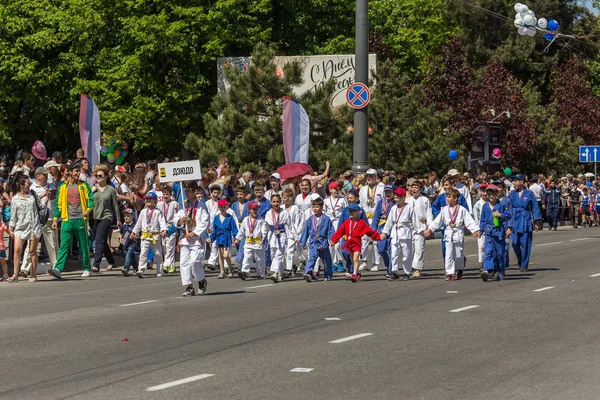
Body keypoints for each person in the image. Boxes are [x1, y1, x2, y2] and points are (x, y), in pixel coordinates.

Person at [48, 161, 94, 279]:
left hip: (80, 219)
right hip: (66, 220)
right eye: (76, 171)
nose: (78, 173)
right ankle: (58, 268)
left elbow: (91, 199)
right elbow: (58, 204)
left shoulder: (84, 185)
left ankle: (87, 267)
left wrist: (88, 209)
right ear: (70, 172)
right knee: (64, 245)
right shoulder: (63, 187)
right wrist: (54, 219)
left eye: (79, 171)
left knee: (83, 245)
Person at [425, 189, 481, 281]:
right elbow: (437, 221)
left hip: (458, 232)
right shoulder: (444, 209)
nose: (447, 199)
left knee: (459, 254)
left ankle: (459, 269)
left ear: (456, 198)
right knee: (449, 254)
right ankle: (449, 272)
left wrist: (475, 230)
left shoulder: (462, 209)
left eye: (449, 197)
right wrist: (430, 229)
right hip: (448, 232)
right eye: (447, 196)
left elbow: (469, 221)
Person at [331, 203, 384, 282]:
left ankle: (355, 273)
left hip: (356, 243)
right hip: (349, 243)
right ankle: (357, 272)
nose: (351, 213)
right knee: (352, 259)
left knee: (355, 258)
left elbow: (369, 231)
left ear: (358, 212)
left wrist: (378, 237)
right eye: (350, 211)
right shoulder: (346, 222)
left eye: (353, 211)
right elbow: (340, 232)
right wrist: (333, 240)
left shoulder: (361, 222)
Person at [20, 167, 58, 277]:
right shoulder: (32, 188)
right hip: (35, 220)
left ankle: (55, 267)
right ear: (38, 176)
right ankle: (25, 268)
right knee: (31, 244)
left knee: (52, 244)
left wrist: (52, 194)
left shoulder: (51, 186)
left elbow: (55, 200)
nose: (46, 177)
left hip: (49, 218)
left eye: (47, 175)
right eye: (44, 175)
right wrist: (43, 195)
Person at [176, 181, 210, 296]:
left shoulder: (201, 206)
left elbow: (205, 222)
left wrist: (194, 233)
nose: (187, 193)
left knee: (195, 262)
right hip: (185, 238)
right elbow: (175, 219)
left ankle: (201, 280)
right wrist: (180, 221)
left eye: (189, 191)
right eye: (185, 191)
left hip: (196, 239)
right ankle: (189, 287)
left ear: (195, 192)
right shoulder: (183, 205)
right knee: (184, 263)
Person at [8, 174, 42, 282]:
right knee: (17, 250)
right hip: (20, 227)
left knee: (32, 251)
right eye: (28, 183)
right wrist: (11, 228)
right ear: (22, 185)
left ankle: (34, 275)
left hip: (33, 226)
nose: (29, 185)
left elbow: (40, 206)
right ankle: (15, 274)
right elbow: (13, 215)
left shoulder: (32, 195)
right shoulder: (15, 199)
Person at [382, 188, 419, 280]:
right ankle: (394, 272)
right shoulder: (393, 208)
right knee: (394, 254)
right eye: (395, 196)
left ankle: (407, 272)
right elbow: (389, 222)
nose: (395, 198)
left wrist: (420, 230)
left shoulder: (409, 207)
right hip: (395, 232)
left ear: (403, 197)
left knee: (406, 254)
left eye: (397, 196)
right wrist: (385, 232)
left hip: (405, 232)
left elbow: (415, 221)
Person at [507, 174, 541, 272]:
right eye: (513, 181)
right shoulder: (512, 194)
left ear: (521, 182)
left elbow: (534, 208)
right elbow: (507, 205)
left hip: (525, 220)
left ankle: (524, 264)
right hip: (514, 220)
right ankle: (520, 259)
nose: (514, 183)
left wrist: (536, 222)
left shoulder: (529, 193)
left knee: (525, 243)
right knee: (515, 243)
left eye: (516, 181)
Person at [90, 164, 121, 273]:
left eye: (101, 176)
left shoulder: (111, 190)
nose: (98, 178)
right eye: (97, 176)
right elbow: (87, 201)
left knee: (99, 239)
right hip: (94, 217)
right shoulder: (93, 189)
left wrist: (118, 218)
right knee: (101, 241)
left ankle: (96, 264)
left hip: (106, 216)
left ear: (106, 177)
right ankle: (111, 260)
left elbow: (115, 205)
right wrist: (92, 191)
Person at [130, 192, 167, 278]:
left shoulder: (158, 212)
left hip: (155, 236)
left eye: (150, 199)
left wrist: (163, 230)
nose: (148, 200)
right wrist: (134, 232)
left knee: (158, 254)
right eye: (147, 199)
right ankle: (141, 269)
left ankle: (159, 270)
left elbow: (162, 222)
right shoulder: (143, 211)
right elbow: (138, 224)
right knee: (143, 253)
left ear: (155, 201)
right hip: (145, 236)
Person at [479, 185, 512, 282]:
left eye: (493, 194)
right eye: (489, 194)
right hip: (489, 232)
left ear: (497, 194)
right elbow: (482, 220)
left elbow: (508, 215)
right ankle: (487, 270)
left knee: (499, 253)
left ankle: (501, 271)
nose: (491, 196)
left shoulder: (501, 205)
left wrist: (500, 215)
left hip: (498, 232)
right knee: (488, 251)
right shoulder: (485, 206)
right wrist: (481, 230)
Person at [299, 197, 335, 282]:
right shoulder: (310, 219)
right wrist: (302, 242)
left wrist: (332, 239)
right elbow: (306, 231)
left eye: (317, 207)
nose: (315, 209)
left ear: (322, 208)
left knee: (326, 259)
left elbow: (330, 230)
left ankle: (328, 274)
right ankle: (308, 272)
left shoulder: (326, 218)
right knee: (312, 257)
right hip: (313, 242)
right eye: (314, 207)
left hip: (323, 242)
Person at [406, 180, 433, 278]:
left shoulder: (425, 200)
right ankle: (410, 268)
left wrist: (429, 227)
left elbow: (429, 214)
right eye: (412, 187)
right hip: (410, 228)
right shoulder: (408, 200)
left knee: (419, 249)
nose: (413, 189)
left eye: (416, 187)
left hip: (421, 227)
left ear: (421, 189)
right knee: (410, 250)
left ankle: (417, 269)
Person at [235, 201, 267, 280]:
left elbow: (264, 231)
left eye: (256, 209)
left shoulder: (261, 220)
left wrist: (263, 240)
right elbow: (242, 230)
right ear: (249, 210)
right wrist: (237, 239)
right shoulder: (246, 220)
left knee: (260, 259)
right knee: (247, 257)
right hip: (249, 242)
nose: (255, 211)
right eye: (253, 209)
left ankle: (261, 273)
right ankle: (244, 272)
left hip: (258, 242)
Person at [265, 194, 290, 283]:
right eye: (274, 202)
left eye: (278, 202)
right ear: (271, 202)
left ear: (280, 202)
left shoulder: (284, 213)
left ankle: (275, 273)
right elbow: (266, 227)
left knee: (279, 255)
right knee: (273, 255)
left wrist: (293, 237)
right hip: (272, 236)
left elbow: (290, 225)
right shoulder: (268, 213)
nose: (276, 204)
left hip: (282, 235)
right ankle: (280, 274)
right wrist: (263, 238)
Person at [323, 181, 348, 272]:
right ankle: (334, 262)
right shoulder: (326, 200)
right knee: (331, 244)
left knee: (338, 244)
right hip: (330, 223)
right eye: (335, 188)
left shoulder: (343, 200)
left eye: (338, 188)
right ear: (330, 190)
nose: (337, 190)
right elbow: (324, 213)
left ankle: (340, 261)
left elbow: (346, 212)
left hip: (339, 222)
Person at [210, 199, 238, 279]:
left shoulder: (230, 218)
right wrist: (211, 238)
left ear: (227, 207)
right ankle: (222, 271)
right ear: (218, 208)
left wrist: (236, 238)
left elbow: (234, 229)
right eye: (221, 207)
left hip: (227, 238)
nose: (223, 208)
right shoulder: (216, 218)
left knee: (226, 255)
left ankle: (230, 268)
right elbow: (214, 230)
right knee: (220, 256)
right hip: (219, 237)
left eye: (224, 207)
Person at [370, 184, 394, 276]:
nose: (388, 194)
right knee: (381, 249)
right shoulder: (380, 203)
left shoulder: (395, 203)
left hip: (392, 229)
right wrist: (373, 231)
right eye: (386, 192)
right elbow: (376, 217)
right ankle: (388, 265)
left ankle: (391, 270)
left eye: (389, 192)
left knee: (392, 250)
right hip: (381, 228)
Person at [282, 188, 306, 277]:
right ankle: (293, 265)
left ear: (290, 197)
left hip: (293, 233)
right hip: (283, 233)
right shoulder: (281, 208)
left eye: (285, 197)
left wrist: (296, 234)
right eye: (283, 197)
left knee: (290, 251)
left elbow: (297, 222)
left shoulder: (295, 208)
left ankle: (288, 269)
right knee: (284, 251)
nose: (283, 199)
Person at [158, 187, 179, 274]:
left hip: (171, 226)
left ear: (170, 195)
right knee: (164, 247)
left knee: (170, 247)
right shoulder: (159, 204)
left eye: (167, 194)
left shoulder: (174, 203)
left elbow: (177, 214)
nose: (165, 196)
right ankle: (172, 265)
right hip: (163, 227)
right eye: (164, 194)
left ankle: (166, 265)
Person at [120, 208, 140, 276]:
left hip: (133, 243)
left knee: (129, 254)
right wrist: (120, 239)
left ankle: (126, 268)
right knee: (131, 256)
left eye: (128, 216)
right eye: (125, 216)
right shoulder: (123, 226)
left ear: (132, 217)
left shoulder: (134, 226)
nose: (126, 217)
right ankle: (135, 267)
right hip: (126, 243)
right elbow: (121, 234)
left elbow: (137, 236)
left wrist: (133, 237)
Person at [473, 184, 488, 270]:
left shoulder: (492, 202)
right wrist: (477, 229)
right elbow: (476, 217)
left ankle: (491, 262)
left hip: (490, 226)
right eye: (483, 191)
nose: (485, 193)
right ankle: (482, 263)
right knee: (481, 246)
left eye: (486, 190)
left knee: (490, 245)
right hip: (481, 227)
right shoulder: (478, 204)